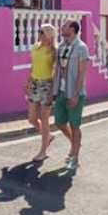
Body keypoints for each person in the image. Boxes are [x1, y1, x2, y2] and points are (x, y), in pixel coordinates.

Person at [54, 19, 90, 171]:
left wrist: (75, 94)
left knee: (75, 126)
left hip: (74, 92)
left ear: (73, 29)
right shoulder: (62, 46)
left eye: (65, 26)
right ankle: (75, 144)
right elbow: (57, 70)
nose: (62, 27)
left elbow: (82, 74)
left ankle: (74, 157)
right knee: (59, 122)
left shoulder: (81, 48)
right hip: (61, 92)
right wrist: (53, 91)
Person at [25, 24, 58, 162]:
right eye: (39, 31)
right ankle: (48, 136)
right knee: (32, 118)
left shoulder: (53, 51)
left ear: (49, 34)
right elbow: (33, 66)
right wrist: (27, 83)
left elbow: (56, 72)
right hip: (34, 84)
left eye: (42, 31)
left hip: (47, 85)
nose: (39, 33)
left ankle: (43, 151)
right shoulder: (35, 47)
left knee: (44, 120)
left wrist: (53, 90)